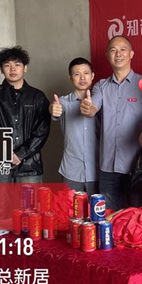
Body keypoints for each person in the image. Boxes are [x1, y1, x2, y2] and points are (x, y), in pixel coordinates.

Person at [80, 35, 142, 211]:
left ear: (131, 54)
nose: (118, 54)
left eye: (123, 49)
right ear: (107, 56)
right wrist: (88, 108)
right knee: (109, 217)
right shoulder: (101, 86)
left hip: (137, 167)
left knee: (136, 217)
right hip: (108, 167)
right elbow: (93, 107)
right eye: (113, 50)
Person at [0, 46, 51, 183]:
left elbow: (42, 130)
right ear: (1, 69)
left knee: (30, 198)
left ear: (25, 68)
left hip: (30, 165)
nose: (12, 69)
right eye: (7, 65)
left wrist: (21, 154)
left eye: (17, 65)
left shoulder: (38, 97)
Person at [50, 57, 99, 194]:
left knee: (98, 207)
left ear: (92, 75)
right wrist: (53, 108)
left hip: (97, 169)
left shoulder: (100, 102)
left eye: (86, 73)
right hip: (71, 170)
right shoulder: (64, 102)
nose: (82, 78)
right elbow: (55, 108)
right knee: (69, 207)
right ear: (70, 78)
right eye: (77, 74)